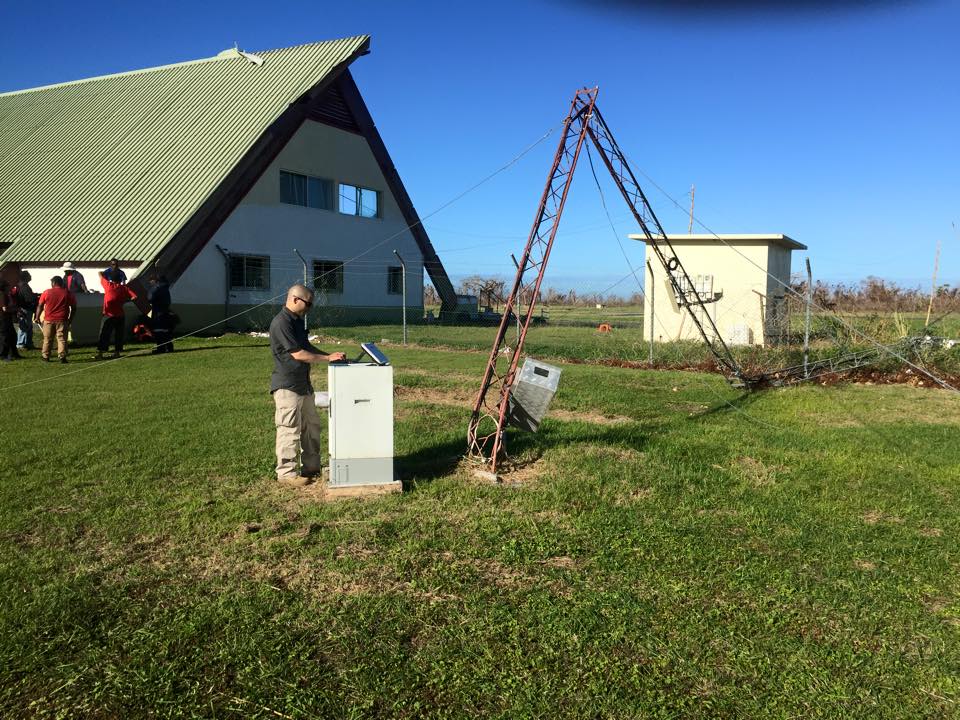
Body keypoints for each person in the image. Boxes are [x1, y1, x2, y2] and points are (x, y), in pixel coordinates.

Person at [269, 284, 346, 487]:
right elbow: (298, 354)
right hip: (287, 386)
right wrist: (327, 358)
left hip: (304, 385)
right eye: (308, 304)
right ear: (295, 299)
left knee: (311, 427)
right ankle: (287, 474)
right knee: (289, 429)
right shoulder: (282, 322)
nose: (309, 308)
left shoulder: (296, 322)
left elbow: (307, 347)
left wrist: (331, 356)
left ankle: (311, 467)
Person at [94, 269, 137, 360]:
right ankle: (117, 353)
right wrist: (125, 301)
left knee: (104, 334)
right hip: (120, 315)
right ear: (120, 280)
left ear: (111, 279)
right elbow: (134, 297)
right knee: (118, 335)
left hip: (108, 315)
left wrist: (107, 272)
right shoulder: (124, 288)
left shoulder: (108, 285)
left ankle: (100, 354)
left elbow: (99, 273)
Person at [34, 276, 76, 363]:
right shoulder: (67, 293)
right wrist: (70, 319)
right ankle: (62, 356)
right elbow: (74, 307)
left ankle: (45, 356)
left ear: (53, 283)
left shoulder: (46, 292)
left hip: (49, 320)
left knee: (47, 339)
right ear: (61, 283)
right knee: (62, 339)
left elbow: (40, 306)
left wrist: (37, 317)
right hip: (62, 319)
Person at [147, 273, 174, 353]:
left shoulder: (157, 288)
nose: (150, 283)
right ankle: (169, 347)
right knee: (166, 331)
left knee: (158, 331)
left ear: (155, 281)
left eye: (151, 281)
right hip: (165, 311)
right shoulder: (166, 288)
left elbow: (150, 298)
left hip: (158, 312)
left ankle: (161, 349)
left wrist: (151, 290)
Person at [13, 271, 38, 350]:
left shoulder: (21, 285)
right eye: (29, 275)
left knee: (28, 326)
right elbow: (29, 298)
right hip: (25, 309)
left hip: (24, 308)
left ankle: (28, 343)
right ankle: (21, 344)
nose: (30, 276)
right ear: (25, 277)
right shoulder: (24, 286)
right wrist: (35, 297)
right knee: (24, 326)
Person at [0, 280, 19, 362]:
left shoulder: (6, 295)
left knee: (12, 336)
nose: (10, 288)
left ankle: (13, 353)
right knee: (4, 337)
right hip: (3, 318)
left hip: (7, 318)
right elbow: (5, 308)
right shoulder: (2, 295)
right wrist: (15, 309)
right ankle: (3, 355)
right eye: (8, 286)